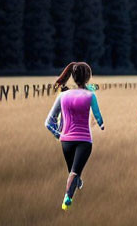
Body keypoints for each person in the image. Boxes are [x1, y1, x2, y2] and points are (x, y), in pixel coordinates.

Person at [45, 61, 104, 211]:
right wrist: (101, 124)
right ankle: (67, 199)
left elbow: (48, 122)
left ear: (73, 76)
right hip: (84, 141)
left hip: (66, 142)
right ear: (88, 77)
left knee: (73, 170)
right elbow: (97, 114)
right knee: (74, 171)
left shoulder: (63, 95)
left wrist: (58, 135)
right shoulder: (90, 95)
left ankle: (75, 184)